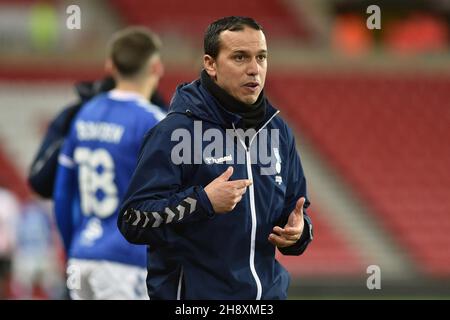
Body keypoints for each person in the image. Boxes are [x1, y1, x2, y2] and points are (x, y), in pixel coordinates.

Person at [118, 16, 313, 300]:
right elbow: (132, 220)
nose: (254, 70)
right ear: (211, 64)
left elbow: (295, 211)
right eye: (240, 57)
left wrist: (299, 232)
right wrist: (203, 202)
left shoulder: (278, 131)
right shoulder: (175, 132)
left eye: (261, 57)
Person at [53, 26, 165, 299]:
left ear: (110, 66)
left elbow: (62, 194)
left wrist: (73, 249)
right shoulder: (154, 121)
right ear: (156, 67)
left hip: (83, 257)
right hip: (128, 261)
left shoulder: (85, 113)